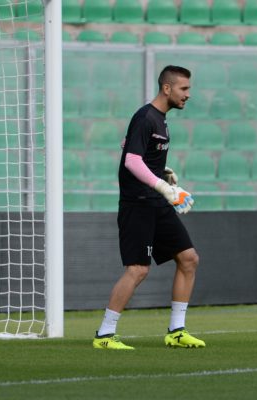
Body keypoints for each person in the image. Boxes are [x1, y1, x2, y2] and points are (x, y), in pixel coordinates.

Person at [92, 65, 205, 350]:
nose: (188, 94)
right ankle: (105, 335)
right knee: (138, 270)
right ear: (167, 88)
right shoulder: (146, 117)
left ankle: (176, 331)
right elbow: (131, 160)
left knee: (189, 259)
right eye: (183, 88)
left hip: (155, 201)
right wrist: (164, 187)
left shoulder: (160, 120)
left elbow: (134, 151)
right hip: (138, 204)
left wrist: (162, 173)